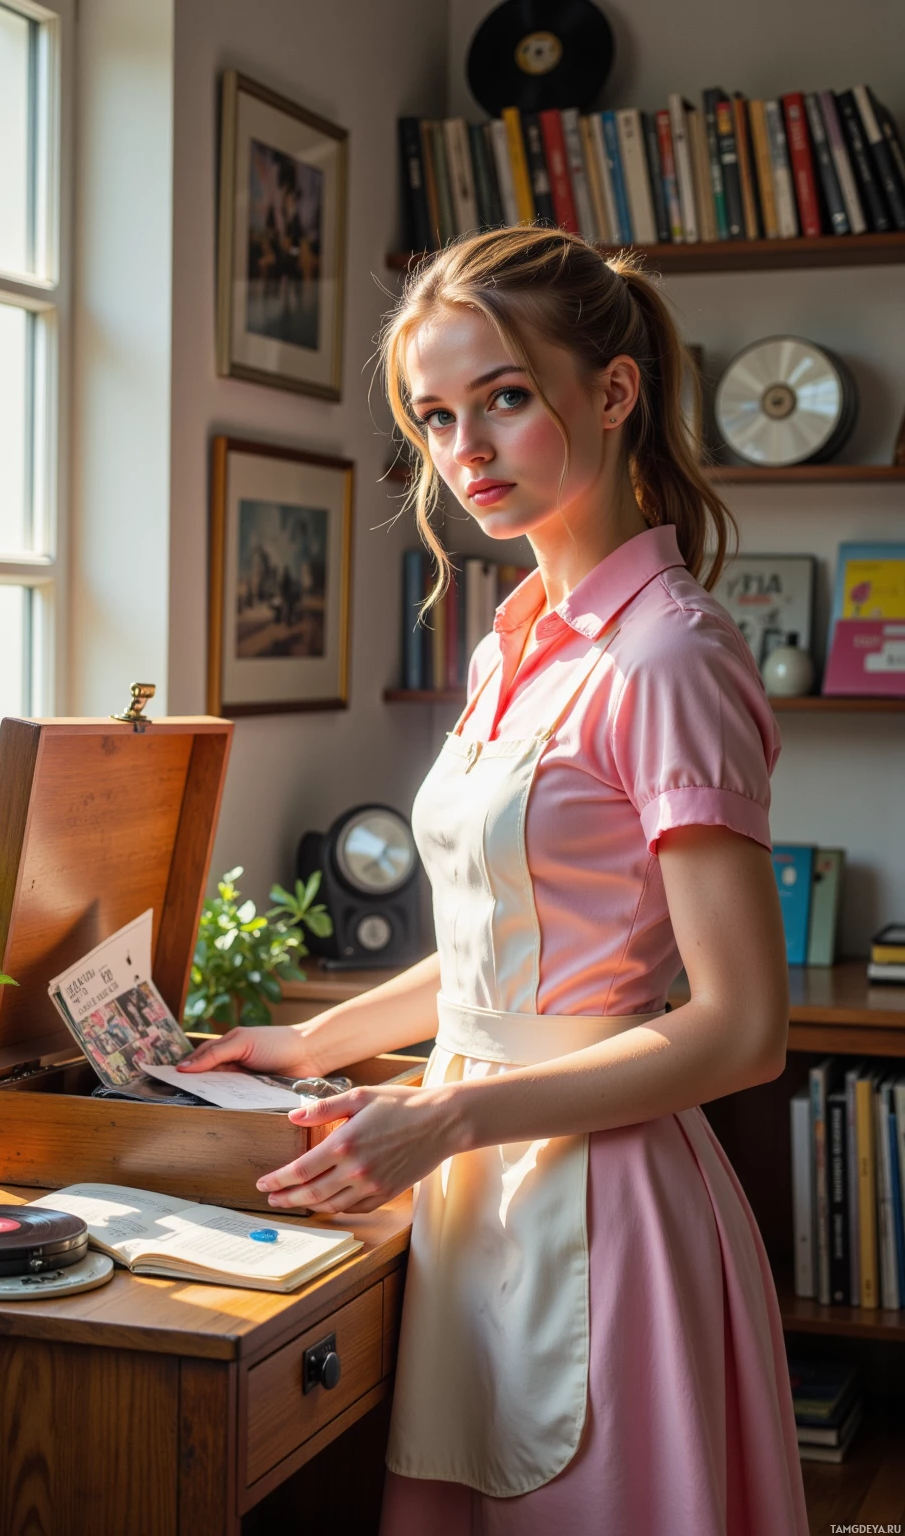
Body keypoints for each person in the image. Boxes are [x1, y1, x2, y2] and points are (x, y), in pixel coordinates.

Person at [180, 226, 809, 1536]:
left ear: (614, 393)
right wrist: (316, 1037)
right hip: (481, 1176)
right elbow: (495, 955)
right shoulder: (512, 642)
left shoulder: (669, 659)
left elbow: (744, 1033)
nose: (464, 450)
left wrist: (450, 1121)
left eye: (505, 399)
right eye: (434, 415)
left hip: (605, 1214)